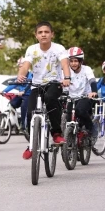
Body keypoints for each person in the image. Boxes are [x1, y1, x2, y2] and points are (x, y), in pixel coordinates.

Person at [17, 21, 71, 160]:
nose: (43, 35)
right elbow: (26, 65)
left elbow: (65, 64)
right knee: (30, 112)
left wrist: (66, 77)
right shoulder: (31, 49)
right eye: (40, 32)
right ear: (36, 35)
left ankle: (56, 133)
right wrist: (21, 75)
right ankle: (31, 145)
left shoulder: (59, 48)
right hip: (37, 85)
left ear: (52, 34)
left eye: (46, 32)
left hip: (54, 83)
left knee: (50, 98)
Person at [66, 47, 98, 136]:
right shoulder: (66, 71)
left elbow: (92, 80)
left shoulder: (86, 69)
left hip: (85, 97)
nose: (73, 63)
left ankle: (91, 127)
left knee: (79, 110)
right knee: (68, 119)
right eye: (71, 61)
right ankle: (71, 140)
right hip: (72, 98)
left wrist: (94, 92)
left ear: (80, 61)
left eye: (76, 61)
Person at [0, 57, 32, 133]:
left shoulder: (31, 75)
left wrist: (23, 91)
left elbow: (30, 85)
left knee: (24, 106)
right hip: (20, 95)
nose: (20, 69)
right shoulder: (19, 76)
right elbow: (12, 85)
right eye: (19, 67)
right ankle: (16, 122)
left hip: (28, 95)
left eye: (22, 67)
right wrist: (3, 91)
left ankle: (24, 125)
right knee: (12, 104)